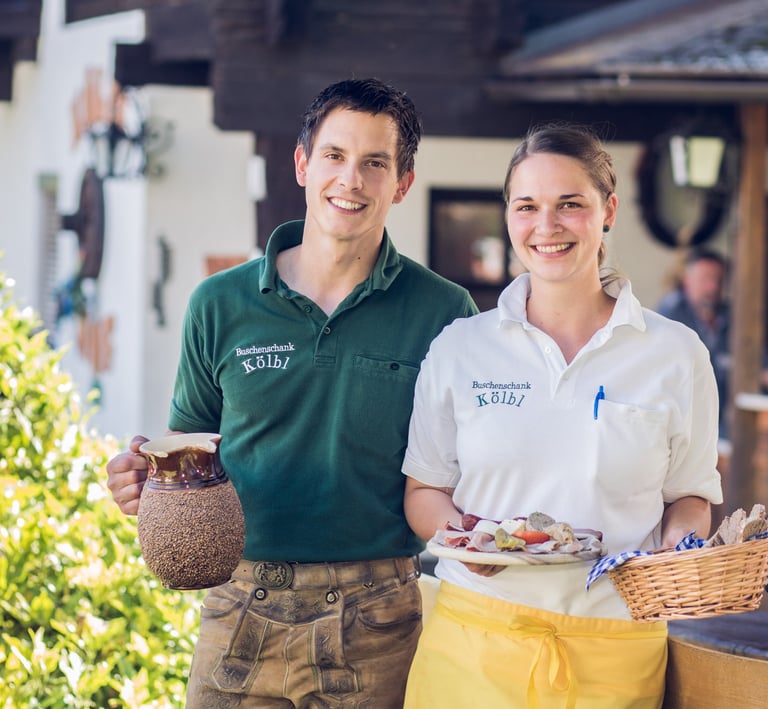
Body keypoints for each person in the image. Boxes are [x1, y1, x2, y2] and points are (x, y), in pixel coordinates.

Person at [105, 77, 477, 708]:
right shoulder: (218, 304)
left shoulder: (446, 312)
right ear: (303, 163)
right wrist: (146, 480)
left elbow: (471, 466)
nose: (350, 180)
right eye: (334, 156)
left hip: (378, 618)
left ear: (403, 182)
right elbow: (191, 452)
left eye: (375, 163)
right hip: (239, 613)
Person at [400, 123, 723, 708]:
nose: (545, 226)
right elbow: (424, 489)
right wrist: (463, 538)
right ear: (508, 217)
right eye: (526, 206)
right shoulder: (460, 346)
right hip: (474, 641)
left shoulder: (675, 353)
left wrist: (682, 550)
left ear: (608, 211)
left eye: (570, 204)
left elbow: (689, 497)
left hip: (616, 649)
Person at [656, 248, 768, 442]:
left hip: (726, 430)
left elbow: (759, 362)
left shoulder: (734, 318)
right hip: (680, 429)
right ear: (687, 280)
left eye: (719, 280)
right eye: (705, 279)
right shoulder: (669, 317)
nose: (713, 286)